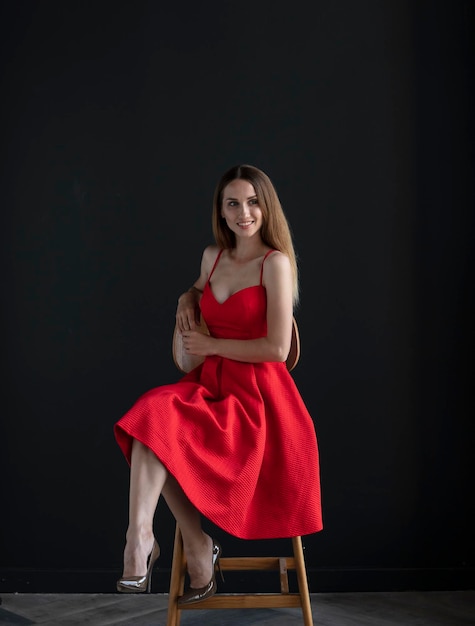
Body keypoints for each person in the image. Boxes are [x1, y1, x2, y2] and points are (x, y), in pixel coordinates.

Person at [114, 164, 322, 604]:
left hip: (260, 404)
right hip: (212, 388)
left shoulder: (275, 263)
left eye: (252, 202)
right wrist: (185, 297)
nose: (244, 212)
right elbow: (197, 290)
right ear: (221, 212)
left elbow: (277, 349)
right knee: (150, 419)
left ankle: (191, 547)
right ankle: (145, 539)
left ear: (266, 209)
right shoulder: (212, 257)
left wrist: (211, 344)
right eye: (233, 203)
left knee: (159, 431)